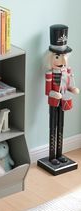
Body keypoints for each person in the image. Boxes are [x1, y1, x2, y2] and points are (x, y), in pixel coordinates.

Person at [45, 24, 79, 166]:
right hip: (54, 102)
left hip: (63, 100)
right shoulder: (50, 73)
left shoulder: (67, 71)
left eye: (64, 56)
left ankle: (60, 154)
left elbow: (69, 84)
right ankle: (52, 155)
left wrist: (73, 89)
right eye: (58, 57)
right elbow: (47, 91)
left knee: (62, 125)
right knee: (53, 126)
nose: (63, 61)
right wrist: (54, 94)